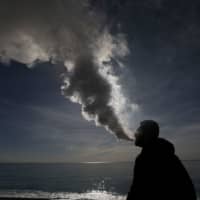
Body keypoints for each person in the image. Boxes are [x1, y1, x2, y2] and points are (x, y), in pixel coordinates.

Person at [127, 120, 196, 200]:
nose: (135, 134)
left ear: (147, 135)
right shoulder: (167, 155)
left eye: (138, 131)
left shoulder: (146, 159)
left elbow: (137, 190)